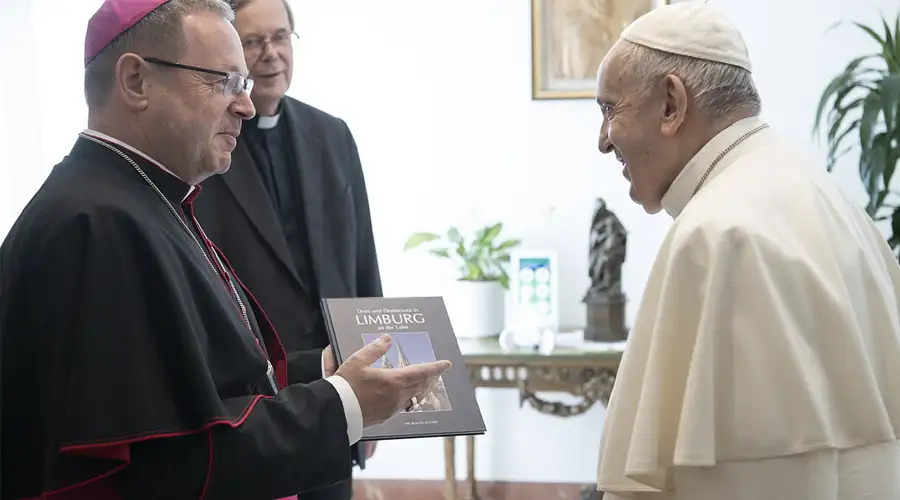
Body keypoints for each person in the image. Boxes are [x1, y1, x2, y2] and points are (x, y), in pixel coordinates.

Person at [0, 1, 450, 499]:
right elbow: (167, 463)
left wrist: (319, 370)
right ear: (136, 81)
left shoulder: (146, 199)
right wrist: (344, 401)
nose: (247, 105)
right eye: (225, 81)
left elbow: (208, 385)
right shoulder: (95, 227)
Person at [593, 3, 900, 500]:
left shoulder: (719, 233)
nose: (603, 142)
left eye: (610, 109)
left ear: (671, 104)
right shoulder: (825, 195)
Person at [190, 1, 382, 497]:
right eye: (254, 42)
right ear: (231, 52)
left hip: (339, 388)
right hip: (256, 400)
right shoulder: (205, 146)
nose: (271, 54)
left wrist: (378, 373)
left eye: (281, 37)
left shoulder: (333, 134)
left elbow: (362, 259)